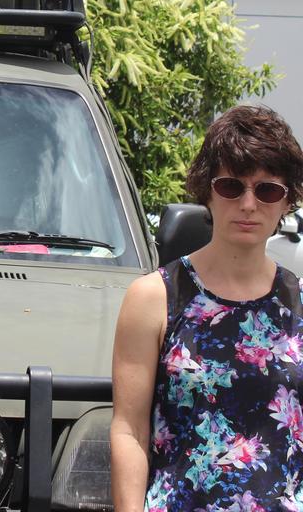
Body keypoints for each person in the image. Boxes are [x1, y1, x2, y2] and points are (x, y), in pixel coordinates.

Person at [111, 104, 303, 511]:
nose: (249, 204)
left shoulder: (299, 302)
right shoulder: (154, 297)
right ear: (207, 192)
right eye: (232, 186)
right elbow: (129, 430)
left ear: (287, 201)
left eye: (267, 189)